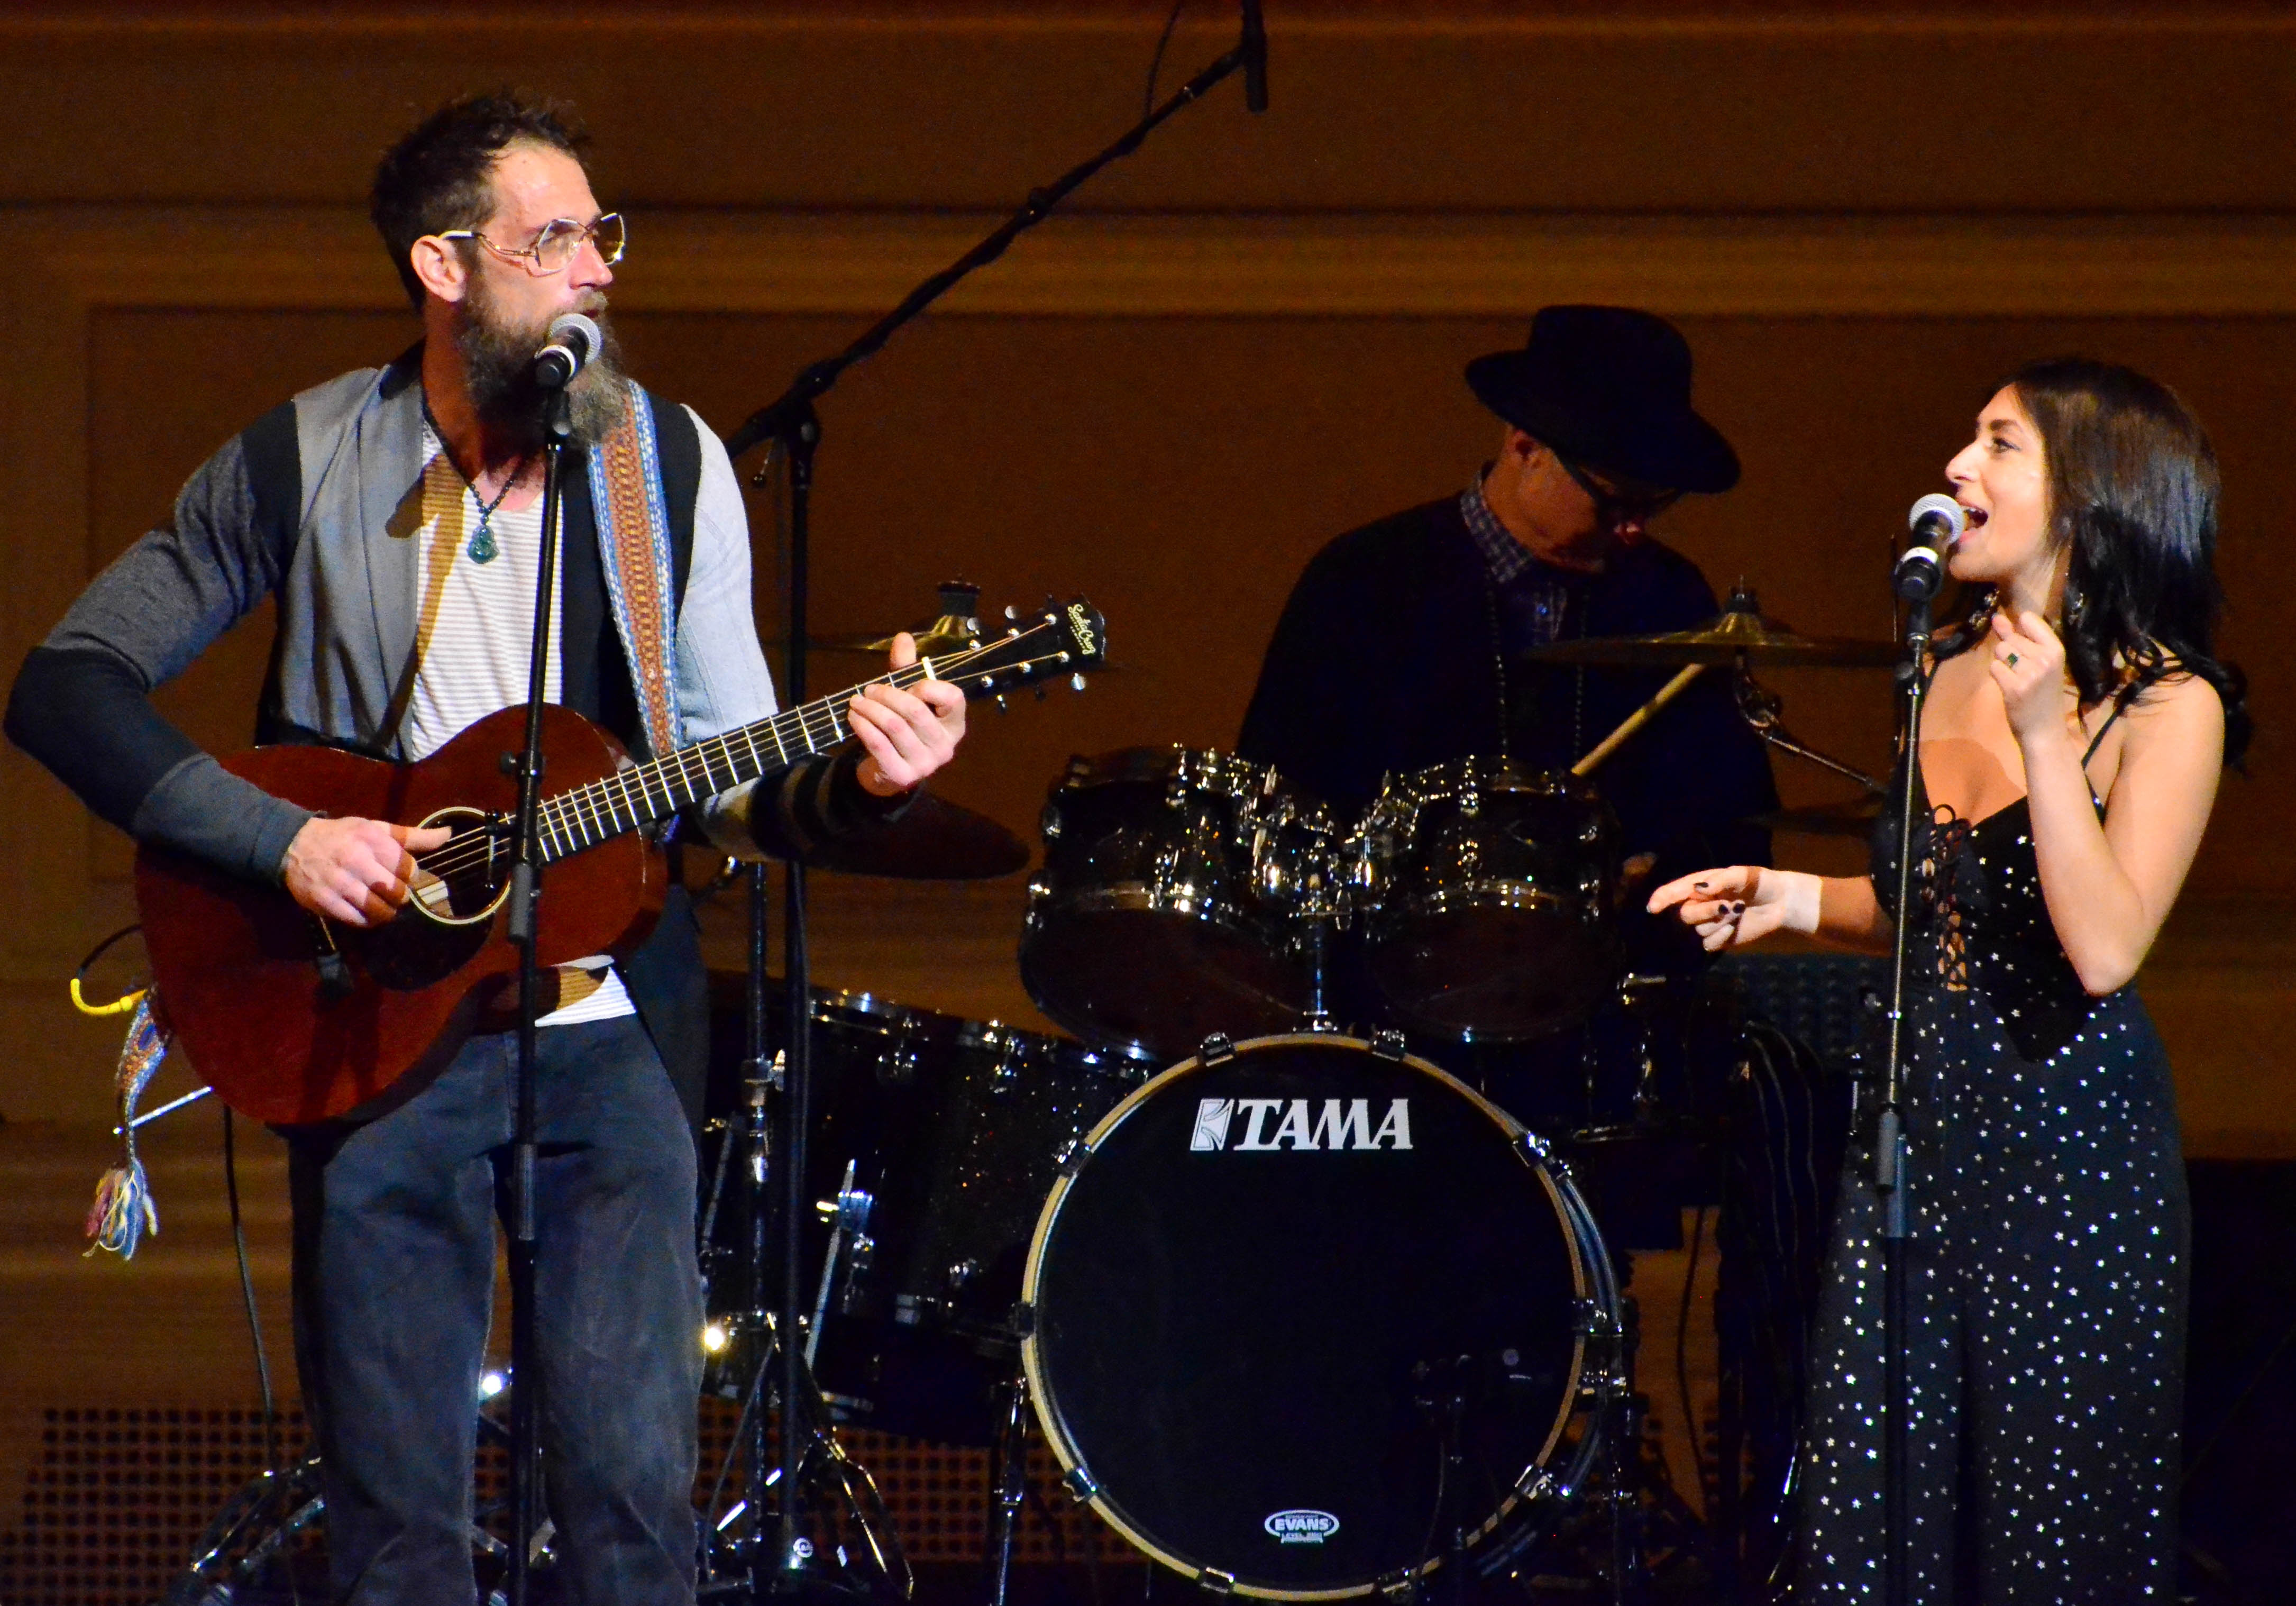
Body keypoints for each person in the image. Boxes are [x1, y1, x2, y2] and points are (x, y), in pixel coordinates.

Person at [4, 94, 966, 1604]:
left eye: (603, 235)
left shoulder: (670, 469)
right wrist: (283, 840)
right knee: (395, 1532)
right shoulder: (302, 456)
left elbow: (726, 773)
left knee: (635, 1516)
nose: (596, 270)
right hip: (369, 1019)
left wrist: (871, 781)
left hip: (613, 1035)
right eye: (556, 238)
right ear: (443, 266)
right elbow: (64, 684)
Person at [1650, 358, 2247, 1599]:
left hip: (2070, 1155)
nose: (1956, 470)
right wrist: (1788, 901)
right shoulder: (1949, 664)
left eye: (1996, 445)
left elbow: (2100, 945)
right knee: (1887, 1506)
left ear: (2088, 494)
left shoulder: (2165, 701)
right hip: (1916, 1138)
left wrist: (2040, 736)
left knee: (2044, 1528)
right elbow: (1937, 915)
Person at [1237, 305, 1778, 1138]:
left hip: (1587, 1015)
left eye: (1653, 506)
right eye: (1611, 499)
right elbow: (1280, 798)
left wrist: (1661, 869)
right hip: (1385, 1010)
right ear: (1524, 445)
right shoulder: (1366, 580)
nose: (1631, 528)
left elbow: (1726, 807)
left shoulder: (1665, 596)